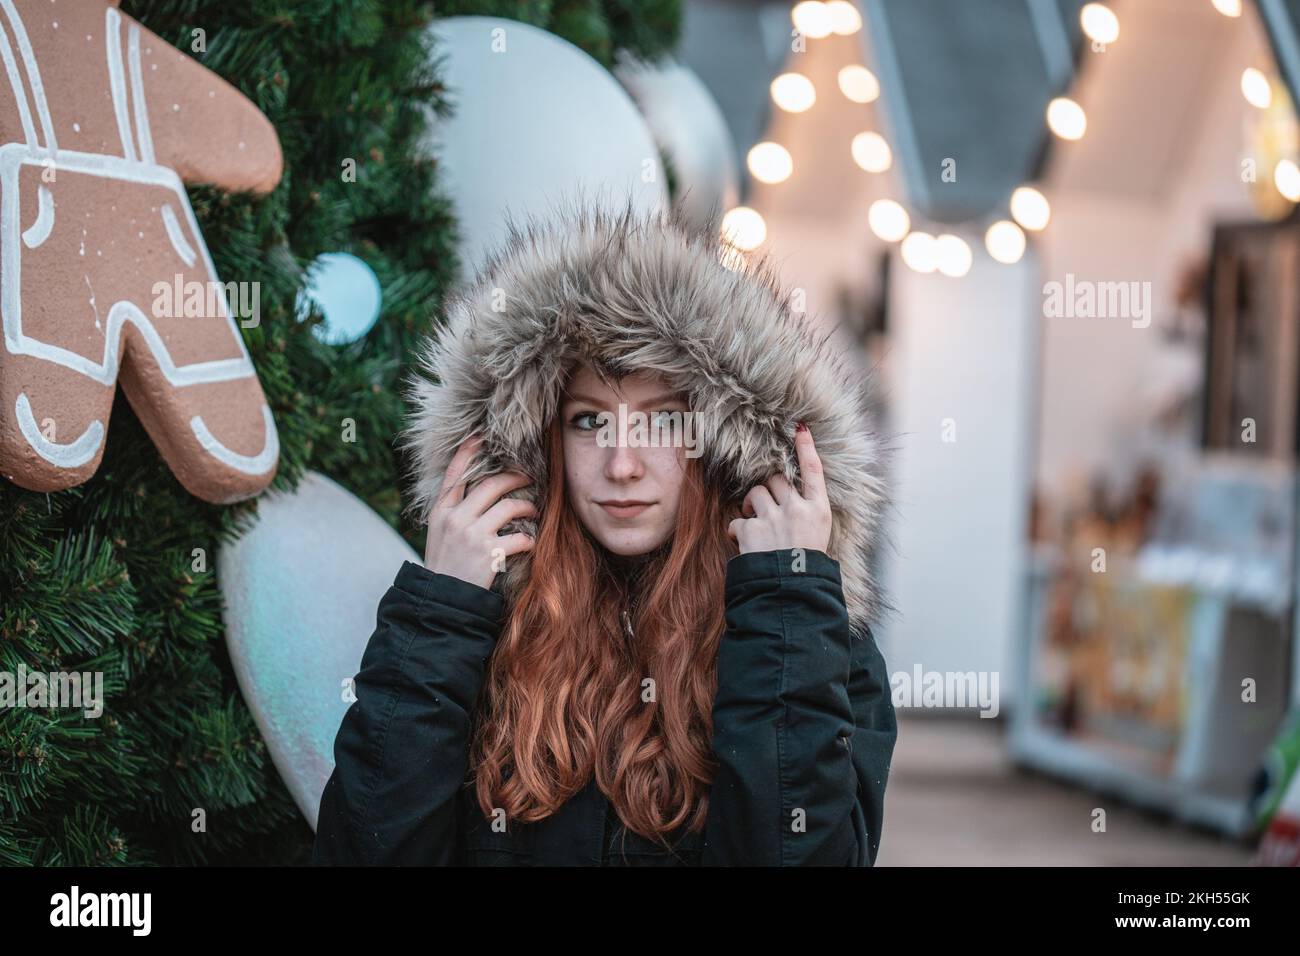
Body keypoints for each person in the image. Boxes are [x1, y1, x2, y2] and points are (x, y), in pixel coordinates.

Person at [311, 199, 897, 866]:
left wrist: (786, 609)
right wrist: (441, 612)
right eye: (590, 421)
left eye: (664, 423)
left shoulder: (814, 637)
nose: (622, 465)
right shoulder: (480, 624)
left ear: (721, 441)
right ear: (542, 439)